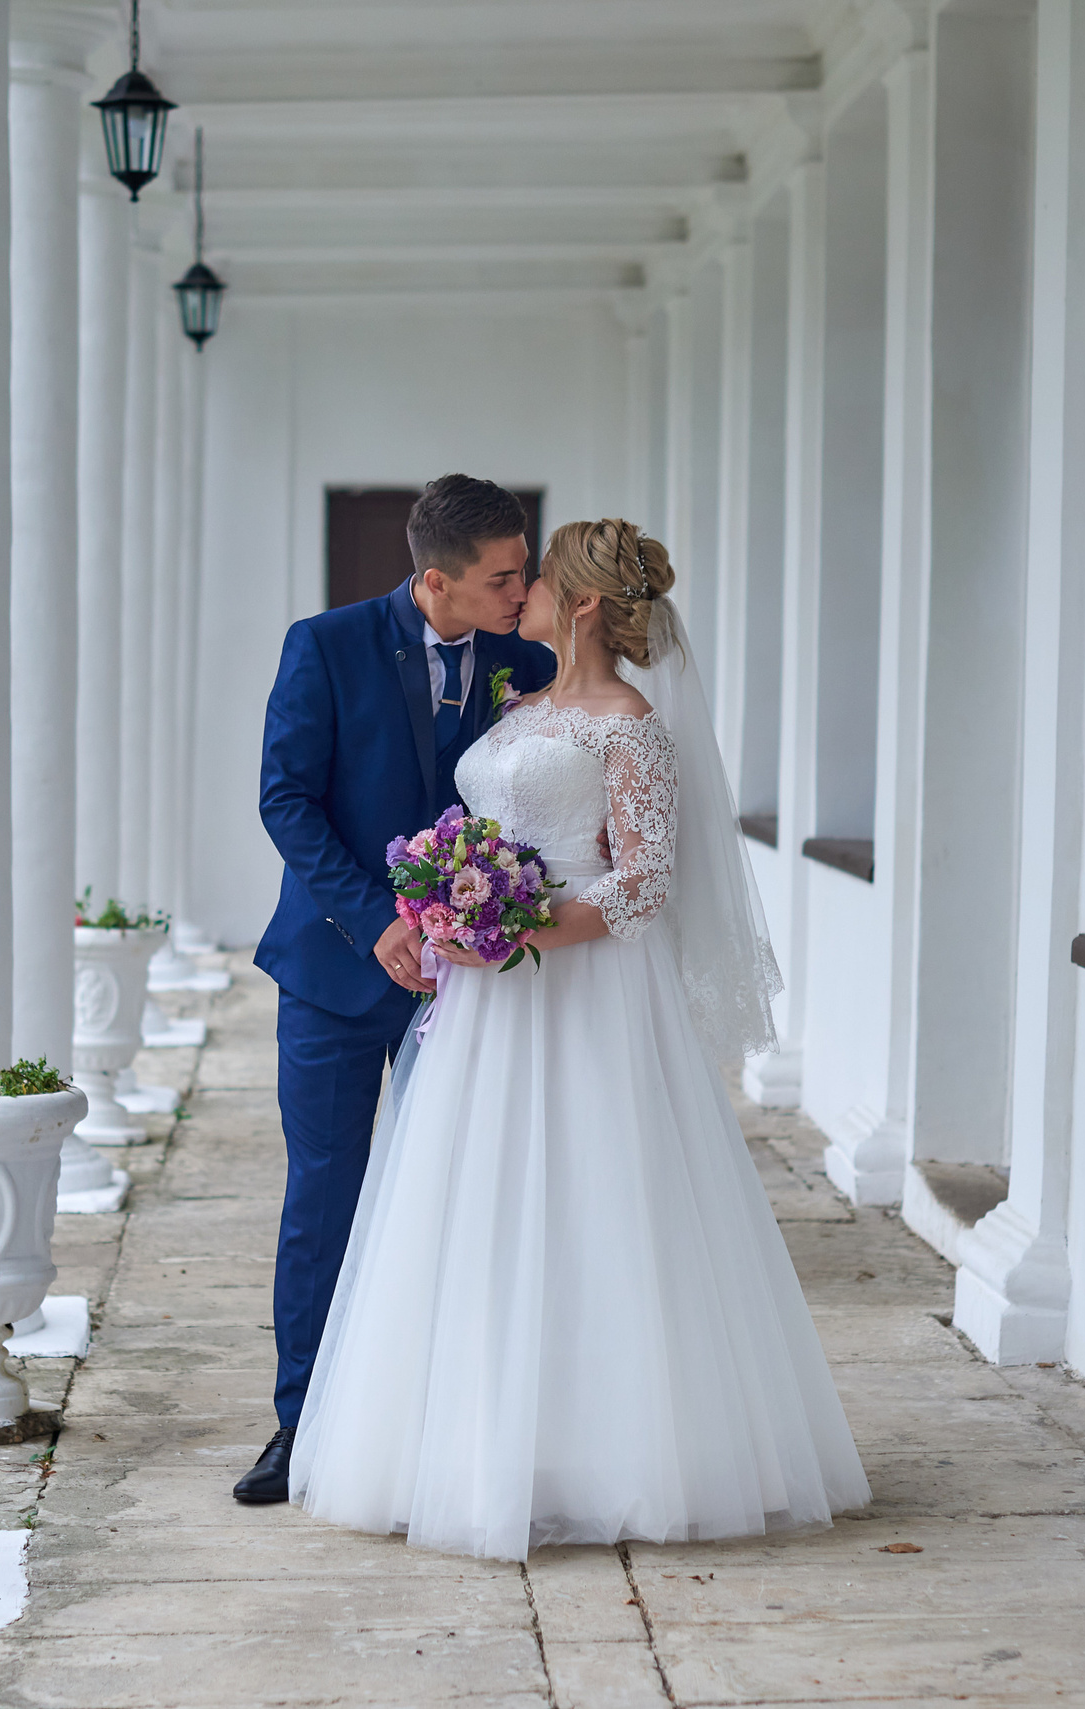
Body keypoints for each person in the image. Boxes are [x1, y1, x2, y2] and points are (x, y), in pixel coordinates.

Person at [287, 518, 869, 1560]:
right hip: (489, 1002)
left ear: (585, 603)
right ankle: (477, 1439)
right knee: (479, 1204)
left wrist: (501, 927)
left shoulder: (628, 723)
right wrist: (454, 911)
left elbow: (642, 883)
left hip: (580, 990)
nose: (523, 594)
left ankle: (615, 1449)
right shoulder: (525, 700)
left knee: (595, 1198)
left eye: (538, 579)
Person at [242, 475, 557, 1504]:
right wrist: (376, 919)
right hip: (336, 973)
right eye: (503, 575)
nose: (524, 587)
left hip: (472, 991)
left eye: (524, 568)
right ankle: (302, 1426)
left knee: (458, 1202)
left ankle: (435, 1423)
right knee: (324, 1197)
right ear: (436, 580)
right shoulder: (323, 645)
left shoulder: (530, 663)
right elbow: (285, 799)